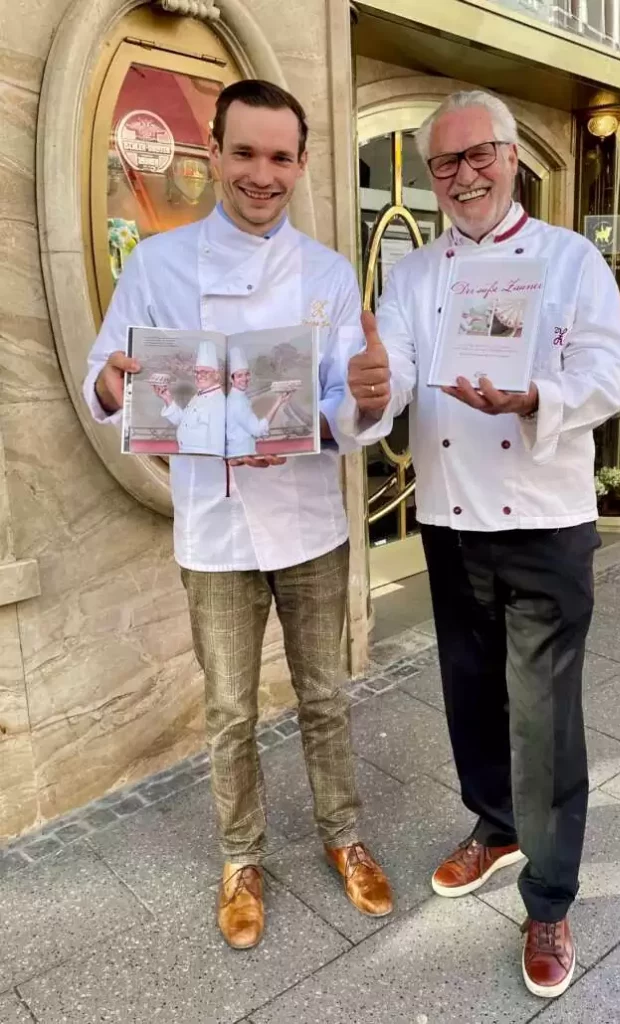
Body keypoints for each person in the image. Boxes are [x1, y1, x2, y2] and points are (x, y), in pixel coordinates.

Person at [84, 78, 393, 951]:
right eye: (246, 154)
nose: (263, 175)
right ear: (212, 154)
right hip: (213, 528)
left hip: (307, 526)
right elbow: (107, 372)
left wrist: (364, 400)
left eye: (281, 157)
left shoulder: (329, 274)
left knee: (325, 695)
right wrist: (113, 383)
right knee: (228, 708)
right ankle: (239, 856)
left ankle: (344, 835)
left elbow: (348, 402)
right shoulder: (156, 266)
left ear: (301, 163)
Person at [341, 90, 620, 998]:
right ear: (433, 176)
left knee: (543, 716)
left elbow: (607, 369)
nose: (464, 174)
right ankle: (496, 826)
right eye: (446, 162)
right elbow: (395, 386)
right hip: (451, 520)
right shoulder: (417, 274)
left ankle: (548, 898)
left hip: (545, 519)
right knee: (468, 691)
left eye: (480, 156)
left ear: (512, 159)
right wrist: (370, 389)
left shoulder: (570, 259)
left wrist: (536, 398)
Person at [154, 340, 227, 454]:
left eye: (205, 372)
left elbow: (217, 444)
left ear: (216, 375)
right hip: (187, 456)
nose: (199, 376)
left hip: (204, 461)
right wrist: (168, 399)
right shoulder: (199, 395)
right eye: (197, 372)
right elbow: (184, 422)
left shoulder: (218, 401)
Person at [225, 345, 293, 457]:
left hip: (241, 452)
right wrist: (278, 402)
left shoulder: (237, 397)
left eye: (247, 374)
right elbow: (258, 430)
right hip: (242, 455)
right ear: (231, 379)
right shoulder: (238, 402)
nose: (244, 379)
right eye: (239, 376)